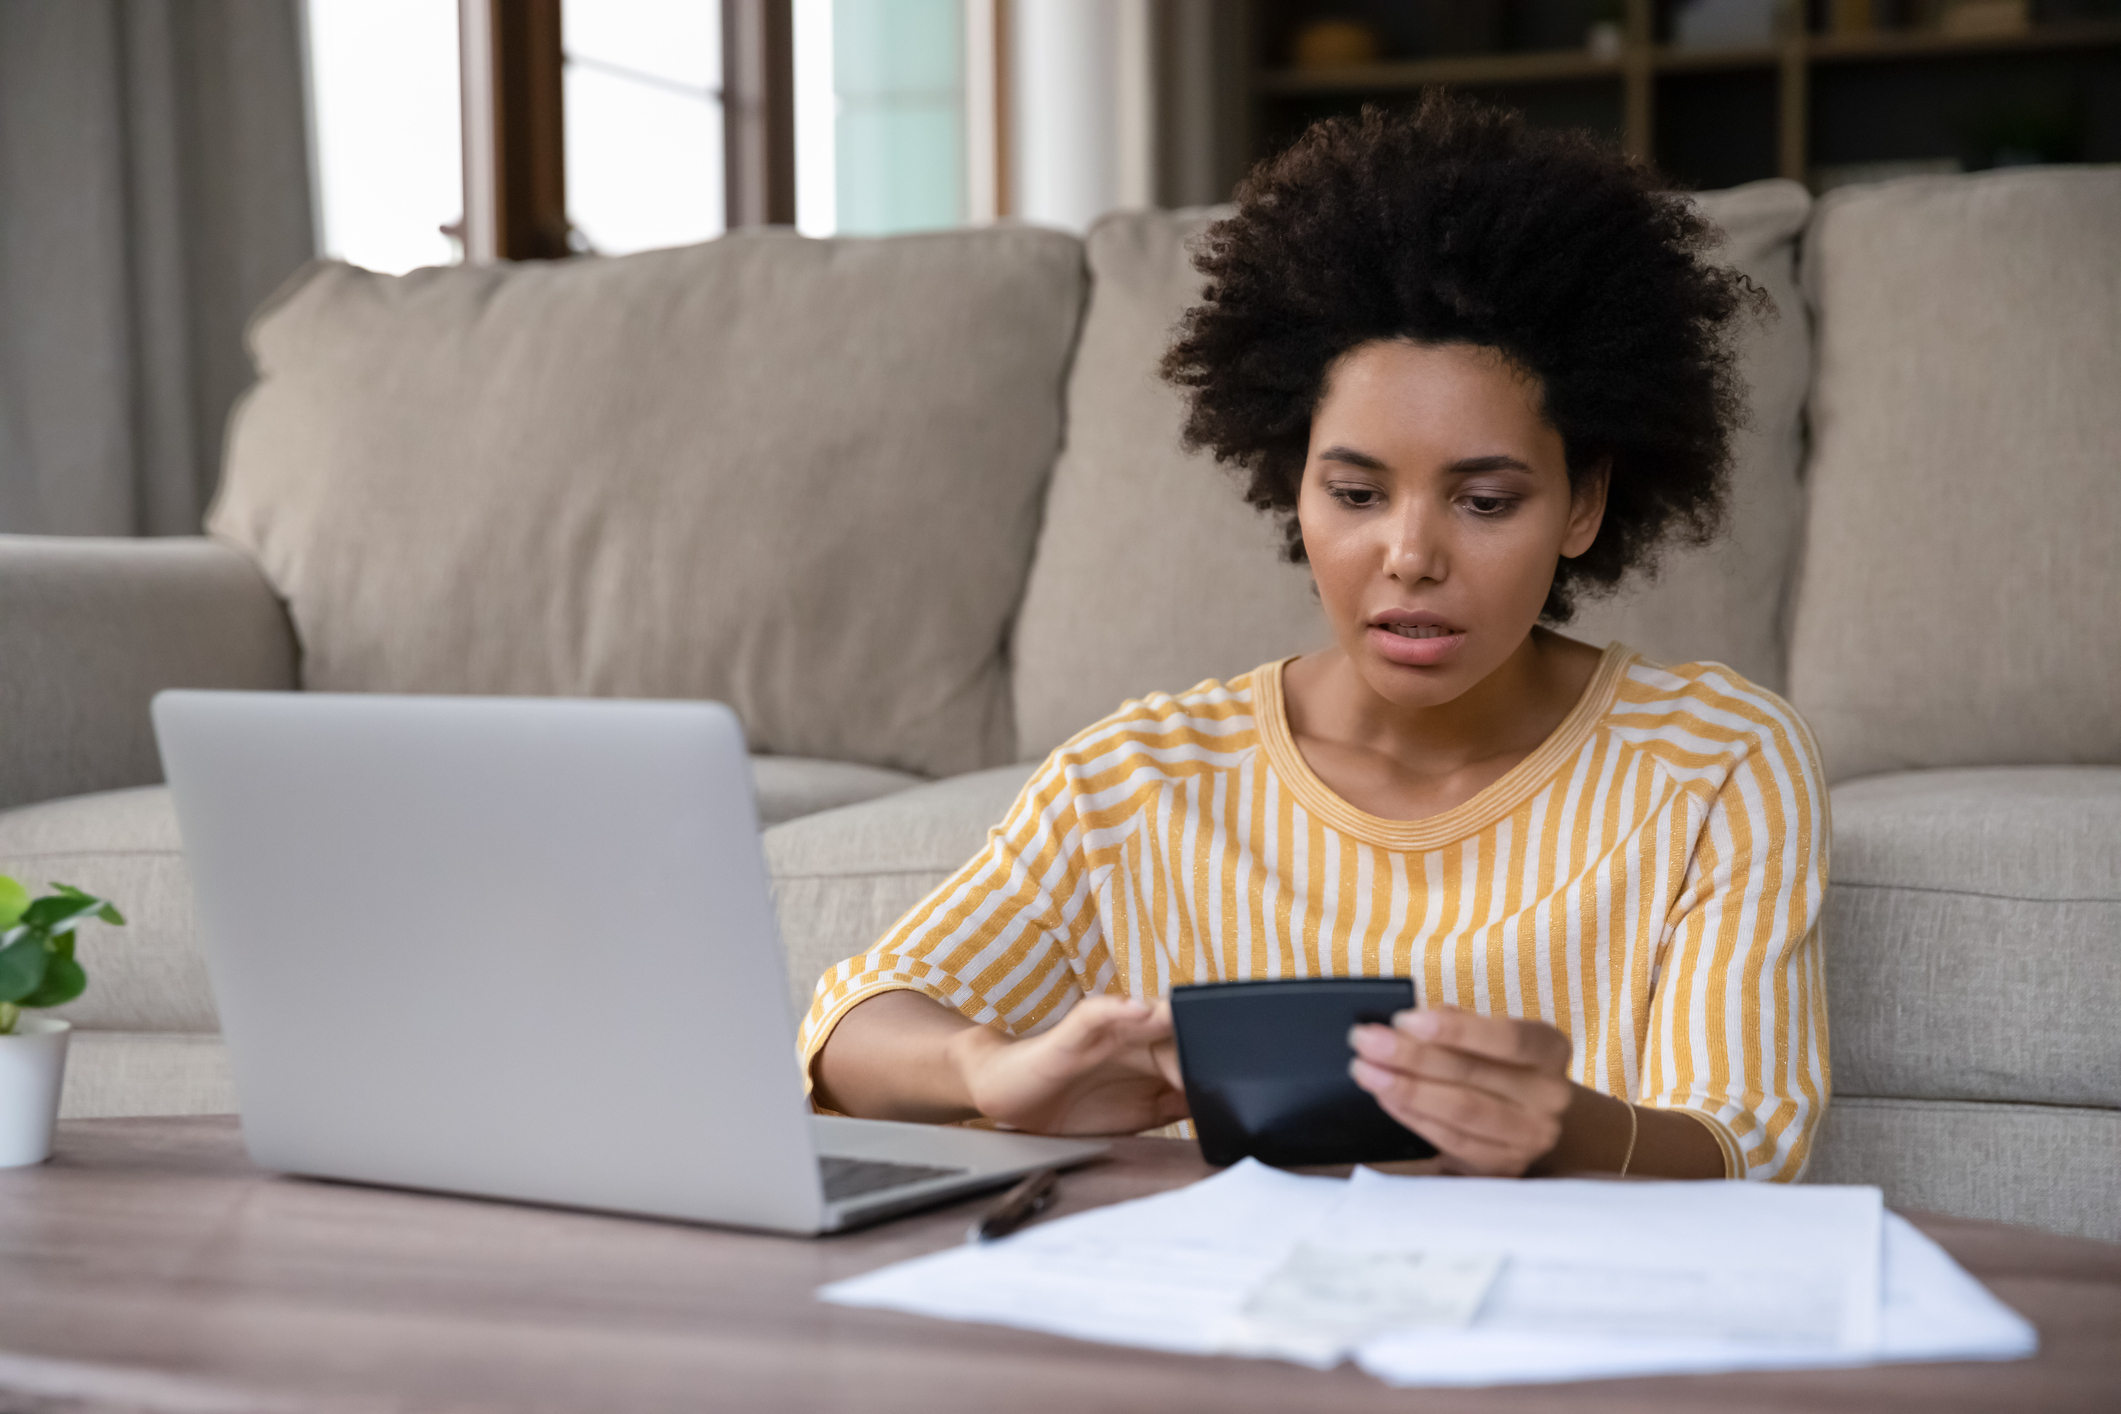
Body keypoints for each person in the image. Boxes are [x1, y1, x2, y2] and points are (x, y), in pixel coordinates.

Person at [801, 93, 1828, 1182]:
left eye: (1485, 502)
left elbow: (1748, 1141)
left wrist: (1568, 1130)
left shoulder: (1718, 761)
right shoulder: (1141, 780)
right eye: (1355, 491)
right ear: (1294, 489)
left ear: (1583, 506)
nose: (1410, 555)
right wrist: (984, 1067)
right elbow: (847, 1029)